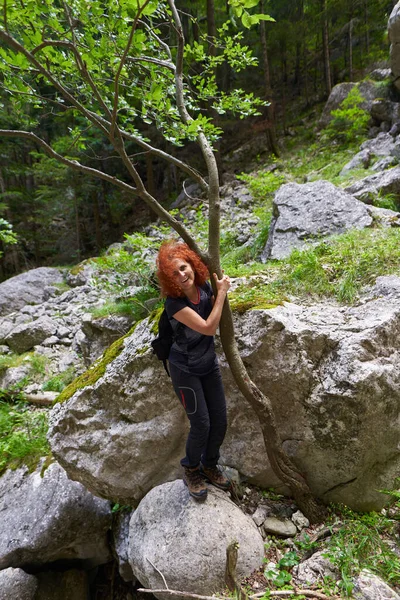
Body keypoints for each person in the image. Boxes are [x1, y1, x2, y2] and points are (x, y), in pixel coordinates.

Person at [156, 240, 231, 501]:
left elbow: (212, 309)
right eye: (174, 274)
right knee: (201, 423)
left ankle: (209, 465)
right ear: (169, 280)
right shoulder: (174, 305)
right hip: (185, 370)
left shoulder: (203, 287)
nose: (182, 275)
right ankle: (191, 469)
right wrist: (222, 294)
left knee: (220, 419)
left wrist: (215, 294)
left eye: (184, 268)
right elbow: (209, 327)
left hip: (208, 364)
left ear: (192, 266)